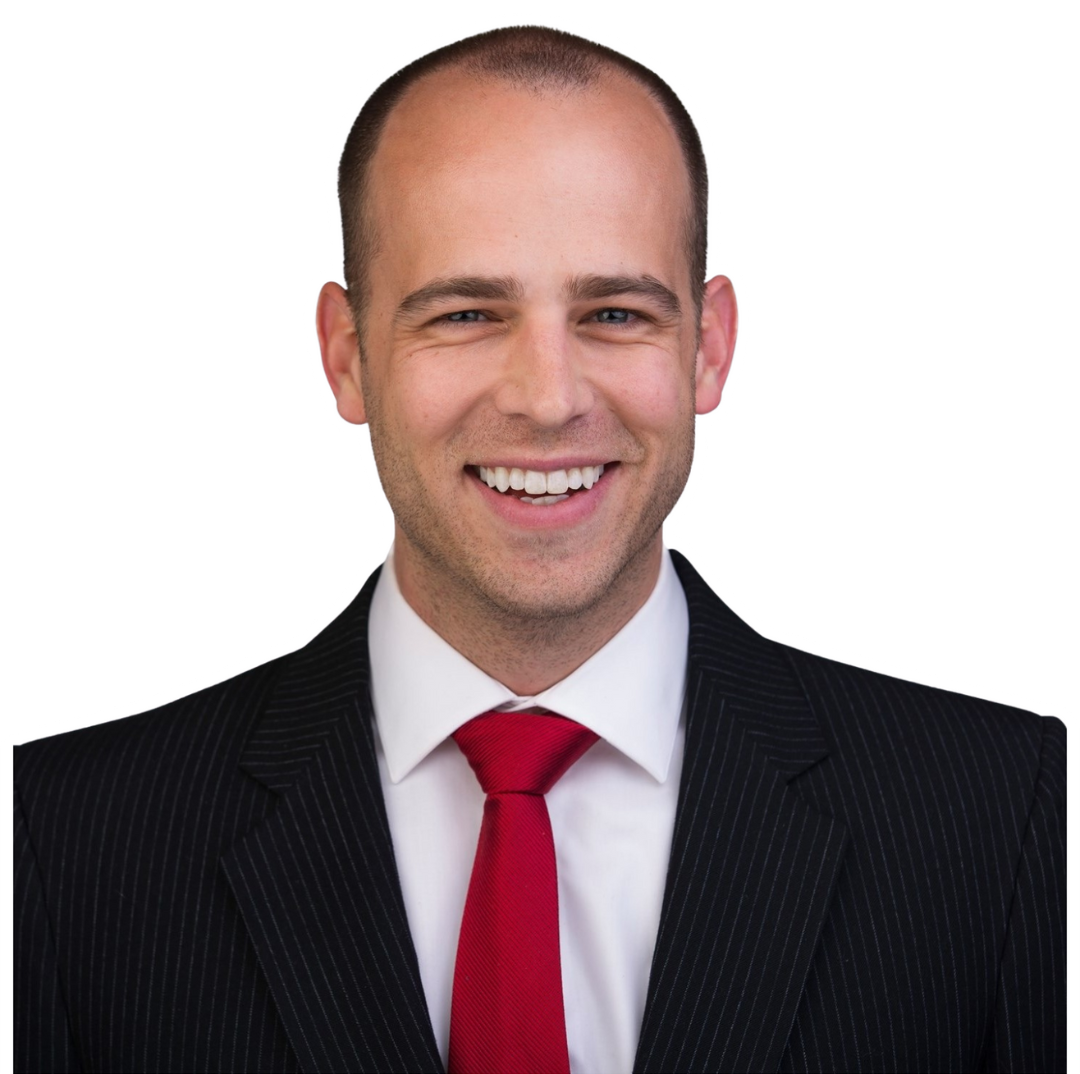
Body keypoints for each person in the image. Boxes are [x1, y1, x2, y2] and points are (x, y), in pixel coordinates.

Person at [13, 20, 1064, 1074]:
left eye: (614, 312)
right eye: (467, 314)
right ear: (344, 356)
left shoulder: (1008, 815)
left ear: (711, 350)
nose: (548, 400)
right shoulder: (57, 845)